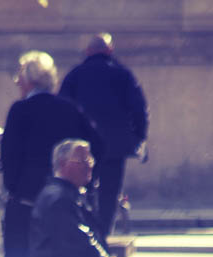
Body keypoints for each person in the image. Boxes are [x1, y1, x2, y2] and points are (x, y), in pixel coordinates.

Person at [1, 51, 101, 257]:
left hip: (25, 199)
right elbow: (98, 144)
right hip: (62, 197)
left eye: (19, 76)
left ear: (29, 80)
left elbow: (9, 154)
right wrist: (84, 179)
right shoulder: (68, 108)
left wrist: (13, 186)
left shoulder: (20, 110)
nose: (16, 82)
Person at [59, 33, 148, 240]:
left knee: (82, 190)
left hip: (82, 147)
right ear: (110, 51)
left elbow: (62, 109)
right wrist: (137, 138)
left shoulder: (75, 75)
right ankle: (104, 236)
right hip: (114, 148)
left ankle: (86, 235)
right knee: (109, 194)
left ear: (87, 52)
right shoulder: (123, 74)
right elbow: (139, 109)